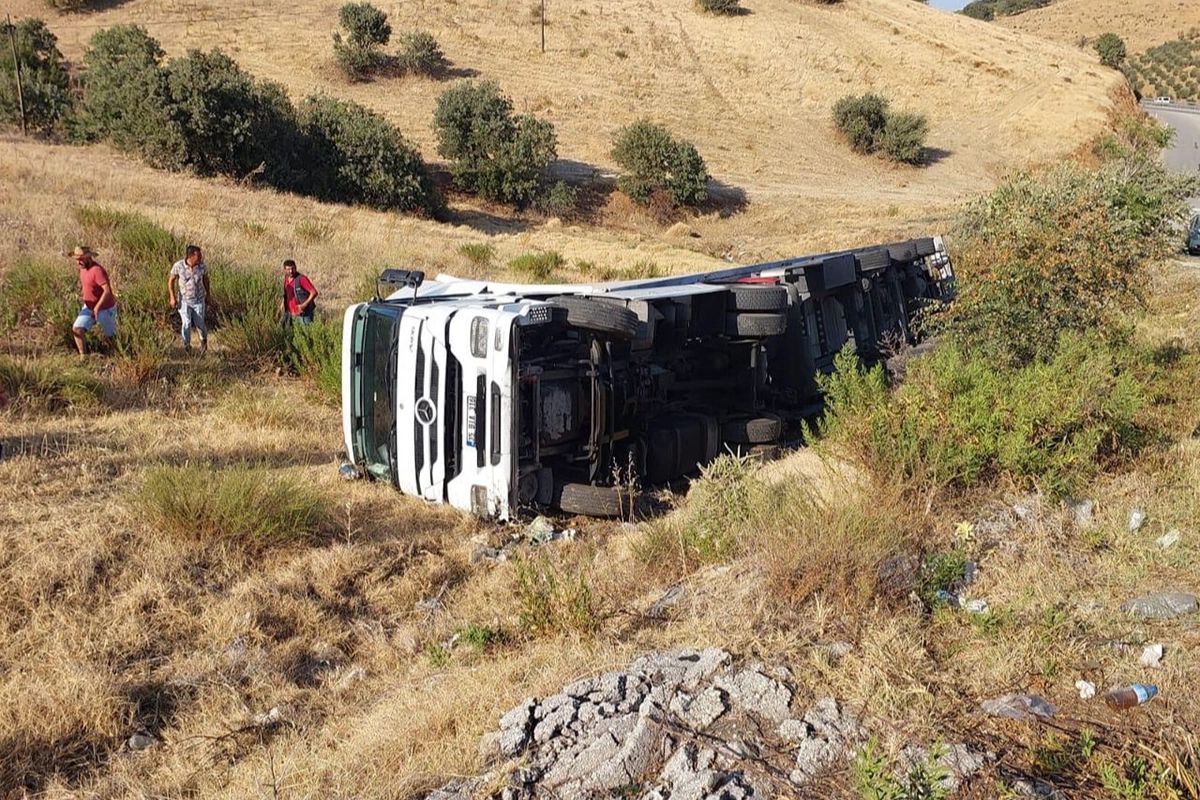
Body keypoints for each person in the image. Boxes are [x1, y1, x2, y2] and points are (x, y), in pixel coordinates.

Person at [70, 245, 118, 357]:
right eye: (77, 259)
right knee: (77, 329)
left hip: (106, 309)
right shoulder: (82, 269)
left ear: (88, 258)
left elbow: (107, 291)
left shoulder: (97, 271)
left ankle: (116, 357)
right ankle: (84, 356)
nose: (78, 262)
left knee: (111, 338)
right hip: (88, 307)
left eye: (81, 259)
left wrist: (98, 307)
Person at [168, 245, 211, 354]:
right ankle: (187, 346)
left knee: (200, 323)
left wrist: (208, 295)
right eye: (198, 255)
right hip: (184, 300)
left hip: (198, 299)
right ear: (191, 256)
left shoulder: (202, 266)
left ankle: (203, 341)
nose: (200, 257)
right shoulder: (178, 266)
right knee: (186, 323)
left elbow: (206, 280)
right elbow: (171, 281)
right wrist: (172, 297)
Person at [280, 259, 318, 325]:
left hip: (303, 315)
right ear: (284, 270)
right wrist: (283, 302)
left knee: (306, 334)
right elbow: (287, 293)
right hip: (290, 313)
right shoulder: (286, 278)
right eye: (288, 269)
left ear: (296, 267)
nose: (291, 271)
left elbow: (314, 292)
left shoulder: (302, 279)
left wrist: (304, 304)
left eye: (293, 268)